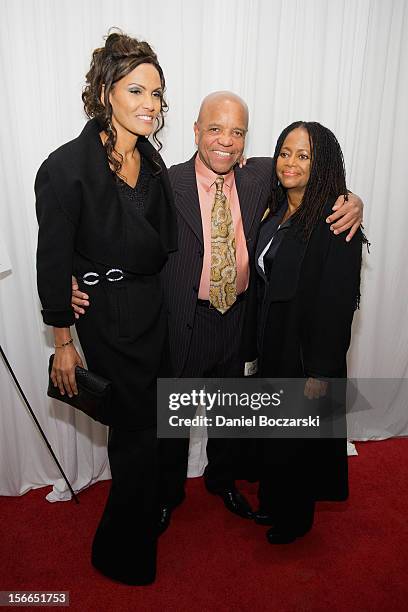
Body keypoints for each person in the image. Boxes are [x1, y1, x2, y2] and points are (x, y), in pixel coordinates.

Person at [72, 92, 364, 532]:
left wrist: (350, 198)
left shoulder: (261, 176)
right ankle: (168, 493)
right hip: (184, 321)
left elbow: (313, 172)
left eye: (237, 132)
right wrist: (73, 274)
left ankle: (223, 480)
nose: (225, 141)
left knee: (230, 415)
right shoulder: (164, 182)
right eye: (215, 128)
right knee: (176, 417)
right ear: (195, 131)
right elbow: (110, 227)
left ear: (246, 140)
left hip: (242, 321)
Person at [35, 32, 177, 585]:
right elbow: (51, 259)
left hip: (151, 307)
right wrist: (63, 342)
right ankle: (121, 554)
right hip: (105, 313)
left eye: (158, 94)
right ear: (105, 91)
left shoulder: (153, 160)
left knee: (155, 425)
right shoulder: (66, 167)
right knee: (137, 433)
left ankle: (148, 513)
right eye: (136, 90)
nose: (149, 104)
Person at [253, 121, 367, 544]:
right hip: (274, 341)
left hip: (305, 352)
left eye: (304, 155)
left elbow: (338, 302)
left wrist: (321, 369)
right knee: (275, 431)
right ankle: (274, 500)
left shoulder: (337, 220)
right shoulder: (277, 207)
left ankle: (295, 518)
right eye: (285, 152)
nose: (290, 162)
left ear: (321, 164)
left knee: (297, 437)